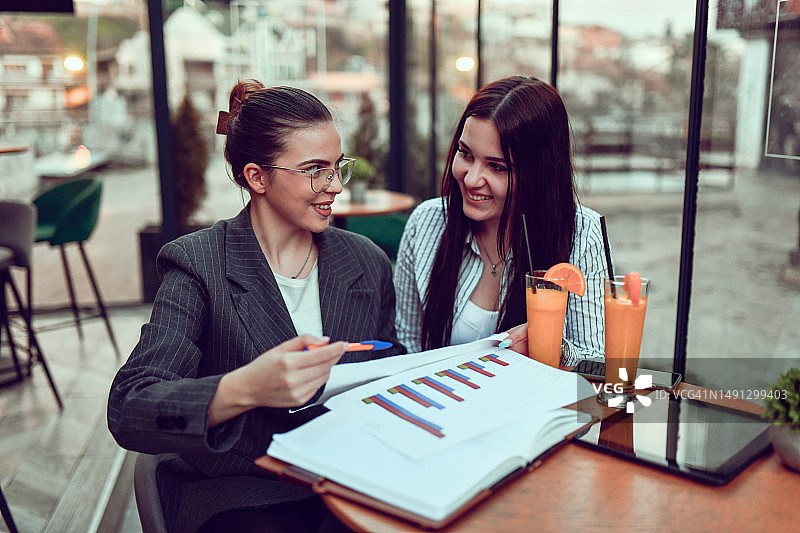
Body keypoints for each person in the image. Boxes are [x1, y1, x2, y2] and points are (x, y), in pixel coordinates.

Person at [108, 79, 404, 533]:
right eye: (314, 170)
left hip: (351, 481)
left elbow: (387, 368)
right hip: (242, 493)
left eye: (337, 167)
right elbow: (131, 406)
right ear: (257, 176)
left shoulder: (365, 260)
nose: (333, 186)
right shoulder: (198, 264)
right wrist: (244, 389)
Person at [394, 75, 606, 364]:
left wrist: (555, 349)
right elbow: (405, 345)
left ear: (538, 173)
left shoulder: (580, 234)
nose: (471, 179)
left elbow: (597, 362)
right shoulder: (426, 223)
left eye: (496, 167)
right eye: (465, 154)